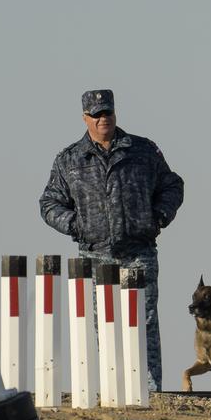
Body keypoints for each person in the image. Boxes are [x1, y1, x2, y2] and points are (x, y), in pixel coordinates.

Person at [39, 89, 184, 391]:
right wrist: (76, 226)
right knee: (105, 324)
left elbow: (172, 185)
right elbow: (49, 203)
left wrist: (158, 217)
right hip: (96, 254)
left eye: (107, 112)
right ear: (85, 118)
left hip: (138, 250)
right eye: (96, 114)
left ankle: (148, 390)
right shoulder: (69, 159)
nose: (103, 118)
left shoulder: (142, 150)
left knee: (143, 321)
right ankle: (113, 388)